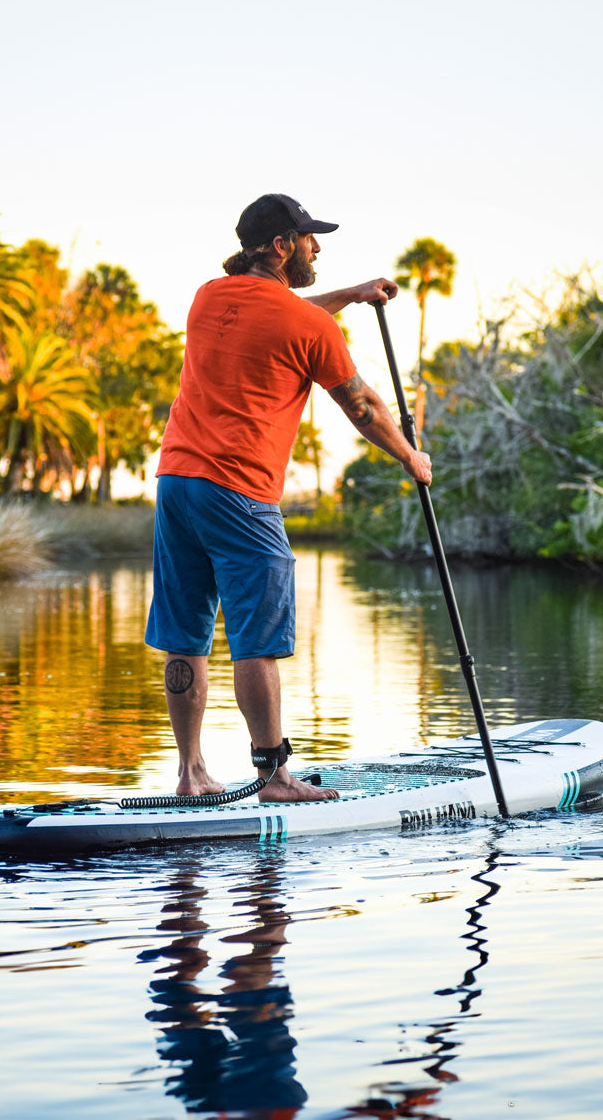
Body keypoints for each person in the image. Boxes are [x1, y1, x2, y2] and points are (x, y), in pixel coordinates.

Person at [145, 193, 433, 803]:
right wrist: (411, 458)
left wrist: (350, 295)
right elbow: (360, 405)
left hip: (177, 483)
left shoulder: (207, 299)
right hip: (242, 495)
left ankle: (190, 772)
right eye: (307, 238)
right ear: (280, 246)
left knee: (186, 632)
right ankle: (274, 776)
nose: (317, 247)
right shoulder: (309, 325)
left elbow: (280, 312)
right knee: (257, 638)